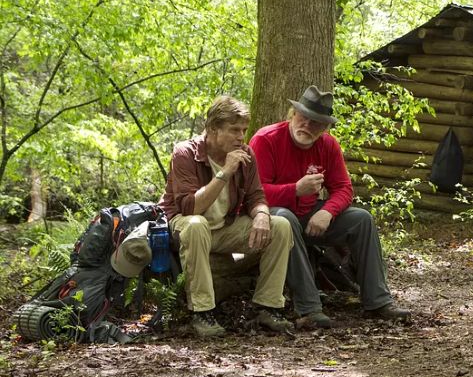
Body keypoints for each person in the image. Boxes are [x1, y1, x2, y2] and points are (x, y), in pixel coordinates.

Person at [249, 86, 411, 324]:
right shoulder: (266, 139)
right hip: (272, 216)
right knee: (286, 219)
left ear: (324, 127)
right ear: (292, 114)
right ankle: (310, 308)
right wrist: (295, 189)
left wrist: (327, 211)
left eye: (316, 123)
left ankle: (378, 301)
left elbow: (344, 188)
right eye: (303, 118)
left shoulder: (328, 145)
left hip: (310, 214)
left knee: (361, 219)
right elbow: (254, 193)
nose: (307, 125)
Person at [161, 96, 293, 338]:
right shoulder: (185, 153)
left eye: (243, 130)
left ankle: (269, 306)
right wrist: (225, 172)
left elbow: (256, 196)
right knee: (196, 224)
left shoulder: (245, 154)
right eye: (234, 130)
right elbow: (190, 207)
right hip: (186, 224)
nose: (241, 136)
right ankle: (202, 313)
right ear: (213, 128)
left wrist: (263, 214)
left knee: (280, 226)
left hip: (225, 227)